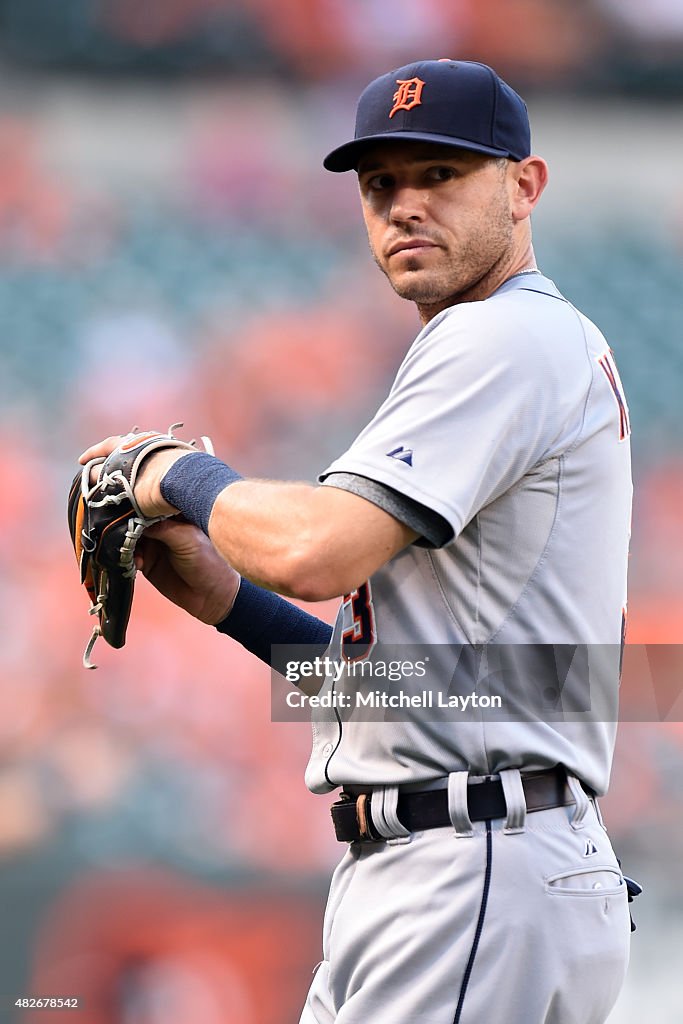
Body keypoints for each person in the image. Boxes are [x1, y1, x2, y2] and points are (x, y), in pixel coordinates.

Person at [80, 59, 634, 1024]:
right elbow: (418, 688)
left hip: (472, 860)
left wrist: (166, 471)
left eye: (441, 175)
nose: (405, 205)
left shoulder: (500, 337)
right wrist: (228, 601)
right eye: (382, 184)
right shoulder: (508, 343)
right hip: (465, 856)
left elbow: (315, 552)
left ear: (524, 184)